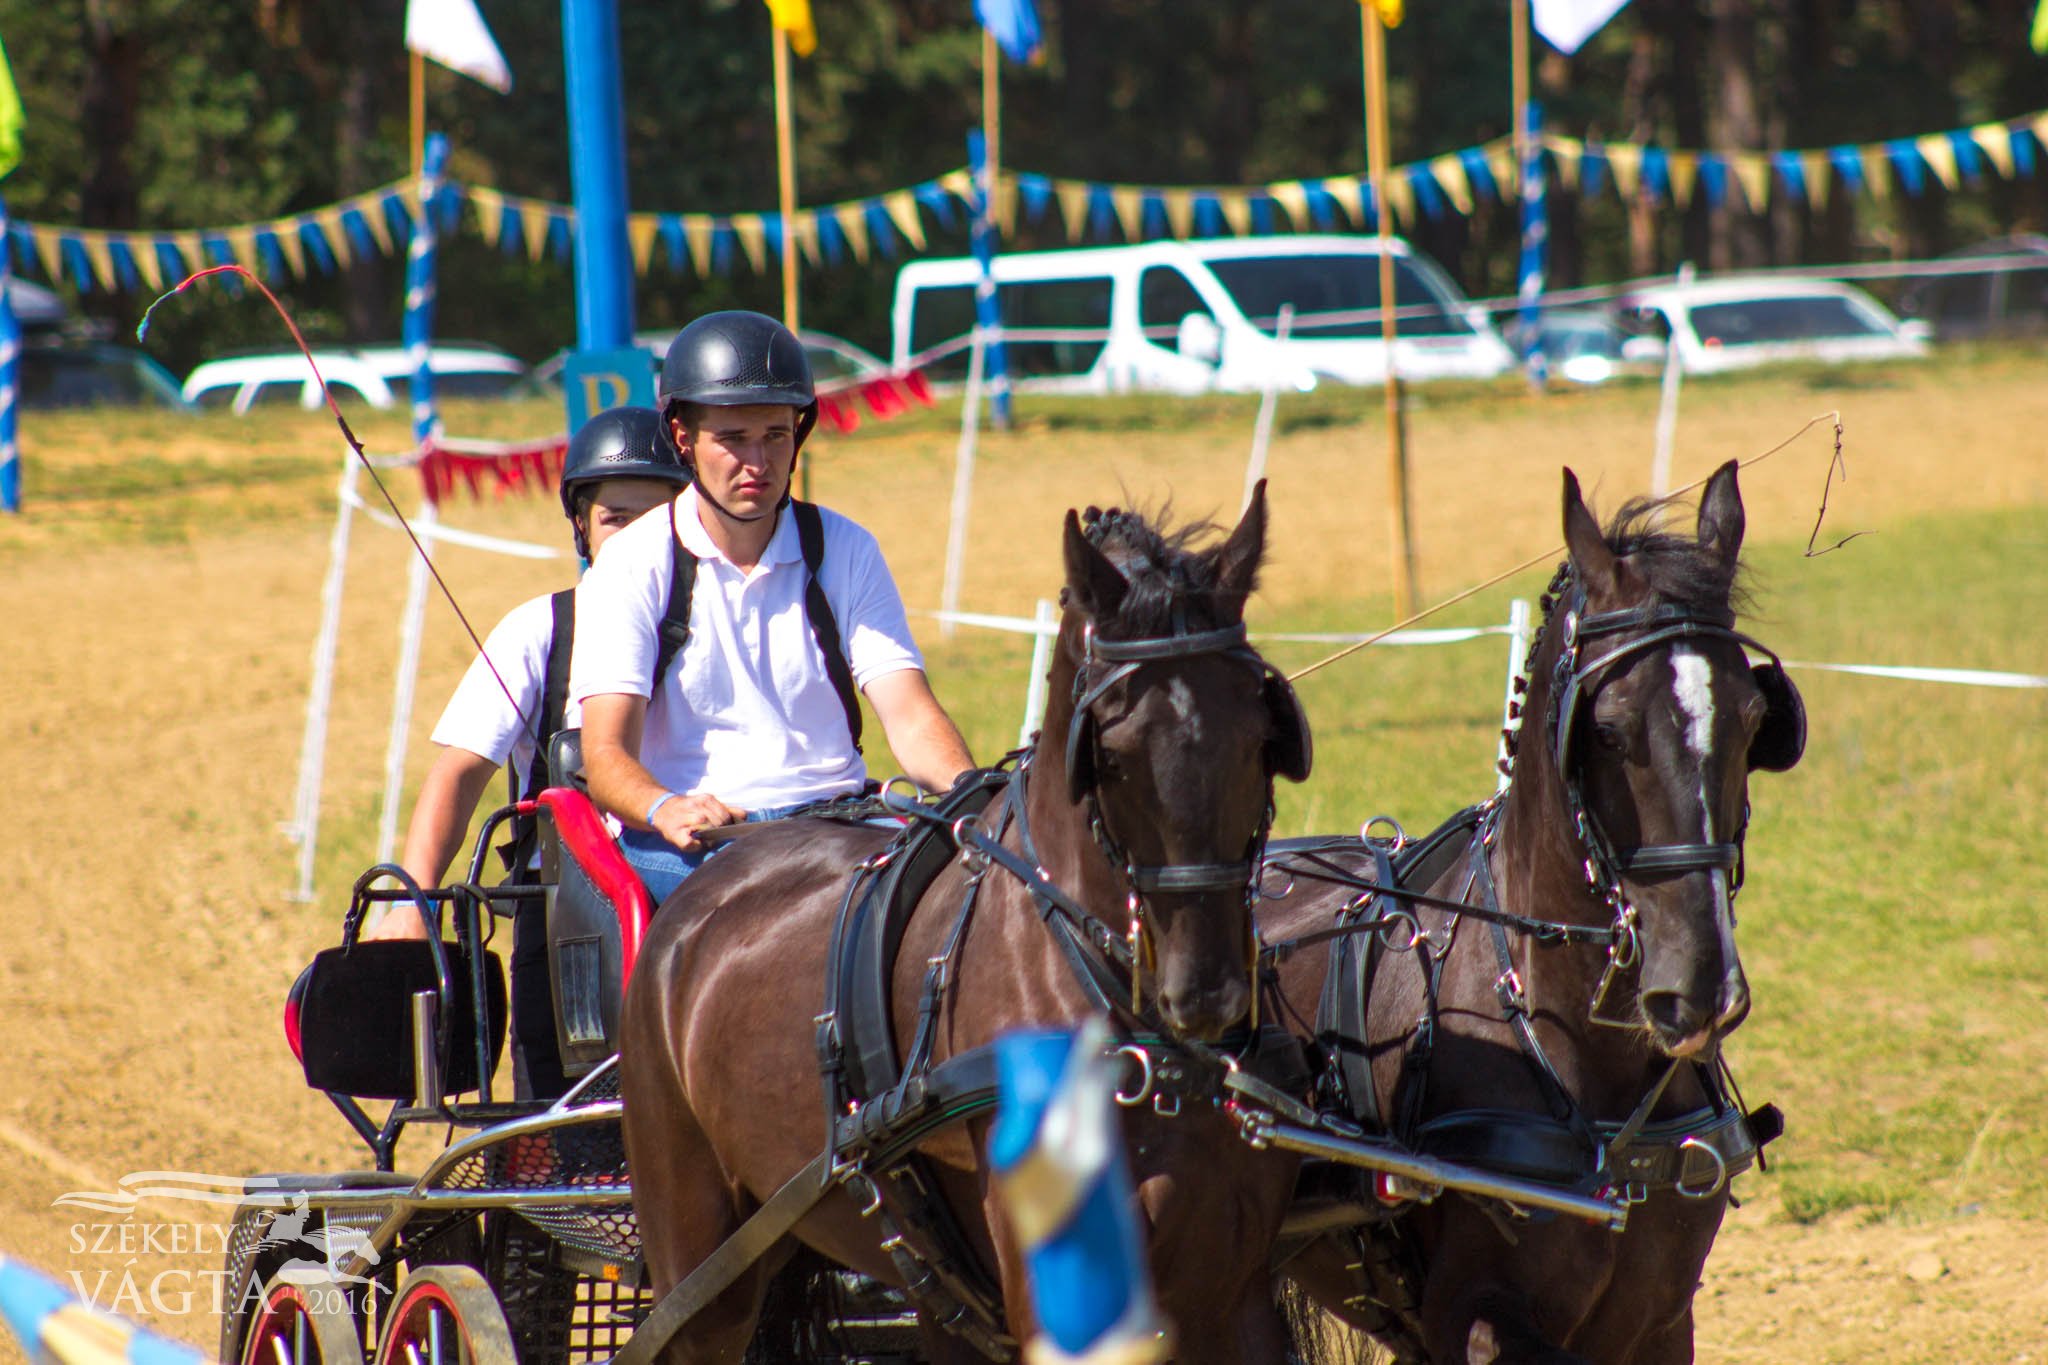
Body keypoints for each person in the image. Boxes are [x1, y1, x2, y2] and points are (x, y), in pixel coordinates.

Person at [571, 310, 976, 902]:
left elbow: (911, 717)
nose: (757, 464)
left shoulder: (846, 547)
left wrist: (976, 795)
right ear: (683, 438)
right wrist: (663, 807)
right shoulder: (631, 563)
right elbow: (604, 756)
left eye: (775, 437)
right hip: (696, 845)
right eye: (733, 440)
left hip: (845, 826)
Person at [364, 405, 689, 1100]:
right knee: (560, 1121)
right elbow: (459, 771)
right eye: (615, 519)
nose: (634, 540)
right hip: (566, 919)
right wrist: (411, 898)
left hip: (697, 895)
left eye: (655, 521)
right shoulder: (538, 631)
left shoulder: (729, 624)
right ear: (581, 526)